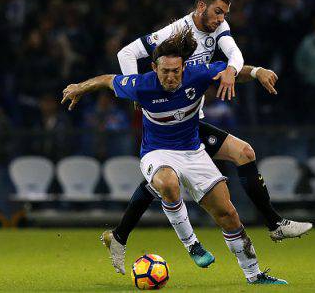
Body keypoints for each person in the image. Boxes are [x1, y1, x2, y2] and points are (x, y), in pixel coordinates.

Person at [107, 0, 312, 274]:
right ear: (201, 7)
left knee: (240, 154)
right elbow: (126, 54)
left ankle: (118, 237)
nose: (221, 18)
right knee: (170, 180)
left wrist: (246, 71)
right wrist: (139, 95)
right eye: (217, 12)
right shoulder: (174, 33)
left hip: (192, 119)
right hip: (170, 119)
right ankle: (272, 224)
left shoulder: (217, 27)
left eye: (225, 13)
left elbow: (234, 53)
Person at [62, 28, 287, 285]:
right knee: (168, 183)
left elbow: (232, 72)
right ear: (154, 68)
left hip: (193, 152)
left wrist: (258, 72)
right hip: (156, 153)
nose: (171, 76)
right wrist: (80, 87)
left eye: (176, 71)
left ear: (184, 68)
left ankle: (254, 274)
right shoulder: (141, 85)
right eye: (165, 71)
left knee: (228, 215)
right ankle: (192, 245)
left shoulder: (198, 74)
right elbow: (107, 79)